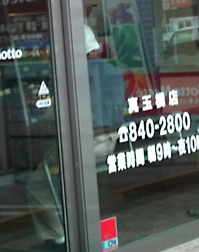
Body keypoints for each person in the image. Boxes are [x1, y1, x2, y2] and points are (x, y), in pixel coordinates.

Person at [26, 25, 126, 247]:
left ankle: (58, 237)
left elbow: (63, 114)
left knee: (37, 185)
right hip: (110, 142)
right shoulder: (113, 71)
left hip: (85, 145)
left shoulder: (73, 75)